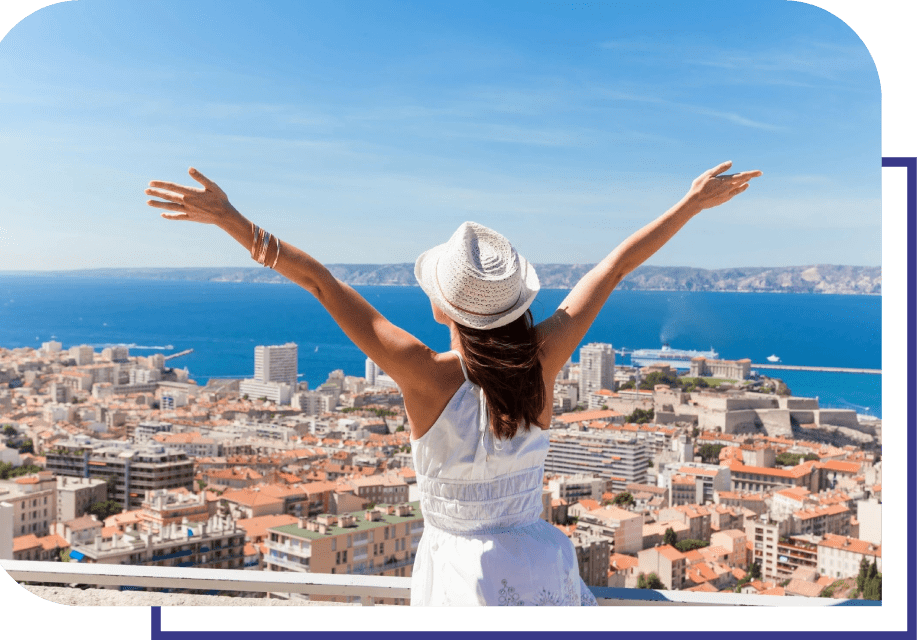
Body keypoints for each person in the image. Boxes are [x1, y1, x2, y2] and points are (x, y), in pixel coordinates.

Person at [145, 160, 761, 605]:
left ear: (444, 308)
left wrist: (232, 220)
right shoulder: (544, 359)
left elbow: (321, 283)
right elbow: (617, 265)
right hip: (544, 567)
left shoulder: (424, 374)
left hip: (463, 577)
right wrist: (691, 202)